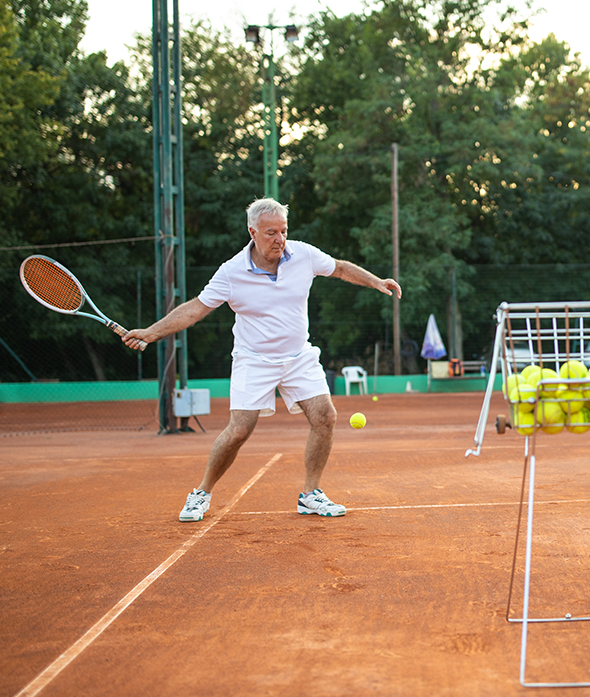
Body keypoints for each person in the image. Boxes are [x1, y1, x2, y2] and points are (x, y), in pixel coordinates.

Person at [123, 198, 402, 522]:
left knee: (325, 416)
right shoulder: (231, 272)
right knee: (240, 430)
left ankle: (311, 494)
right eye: (271, 232)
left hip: (299, 356)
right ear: (252, 232)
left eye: (283, 231)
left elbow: (339, 267)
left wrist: (376, 281)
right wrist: (152, 332)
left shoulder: (304, 255)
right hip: (253, 359)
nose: (279, 239)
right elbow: (196, 308)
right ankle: (202, 492)